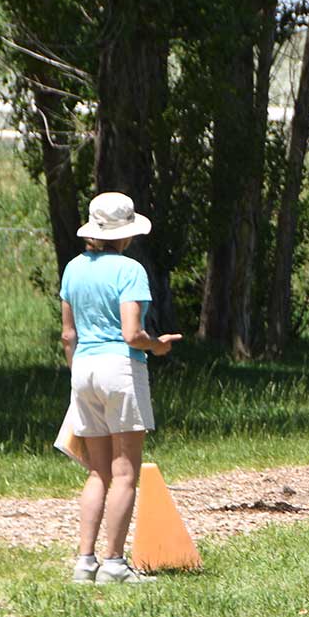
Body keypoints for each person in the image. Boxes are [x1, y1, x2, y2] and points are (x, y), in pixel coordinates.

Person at [60, 192, 181, 584]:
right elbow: (132, 334)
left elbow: (67, 335)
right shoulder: (130, 270)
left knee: (98, 472)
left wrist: (76, 377)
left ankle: (85, 562)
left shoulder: (73, 268)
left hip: (83, 369)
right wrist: (158, 345)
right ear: (126, 233)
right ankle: (113, 563)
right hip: (120, 369)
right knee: (125, 472)